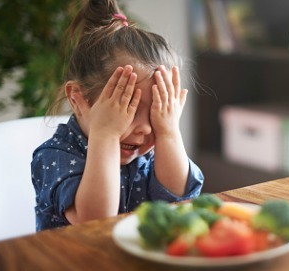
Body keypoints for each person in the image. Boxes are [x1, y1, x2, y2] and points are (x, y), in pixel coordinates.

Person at [31, 0, 204, 231]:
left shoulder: (154, 149)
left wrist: (169, 131)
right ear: (77, 99)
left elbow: (179, 200)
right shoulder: (55, 155)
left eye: (156, 112)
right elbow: (94, 221)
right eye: (128, 109)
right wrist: (106, 134)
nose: (145, 128)